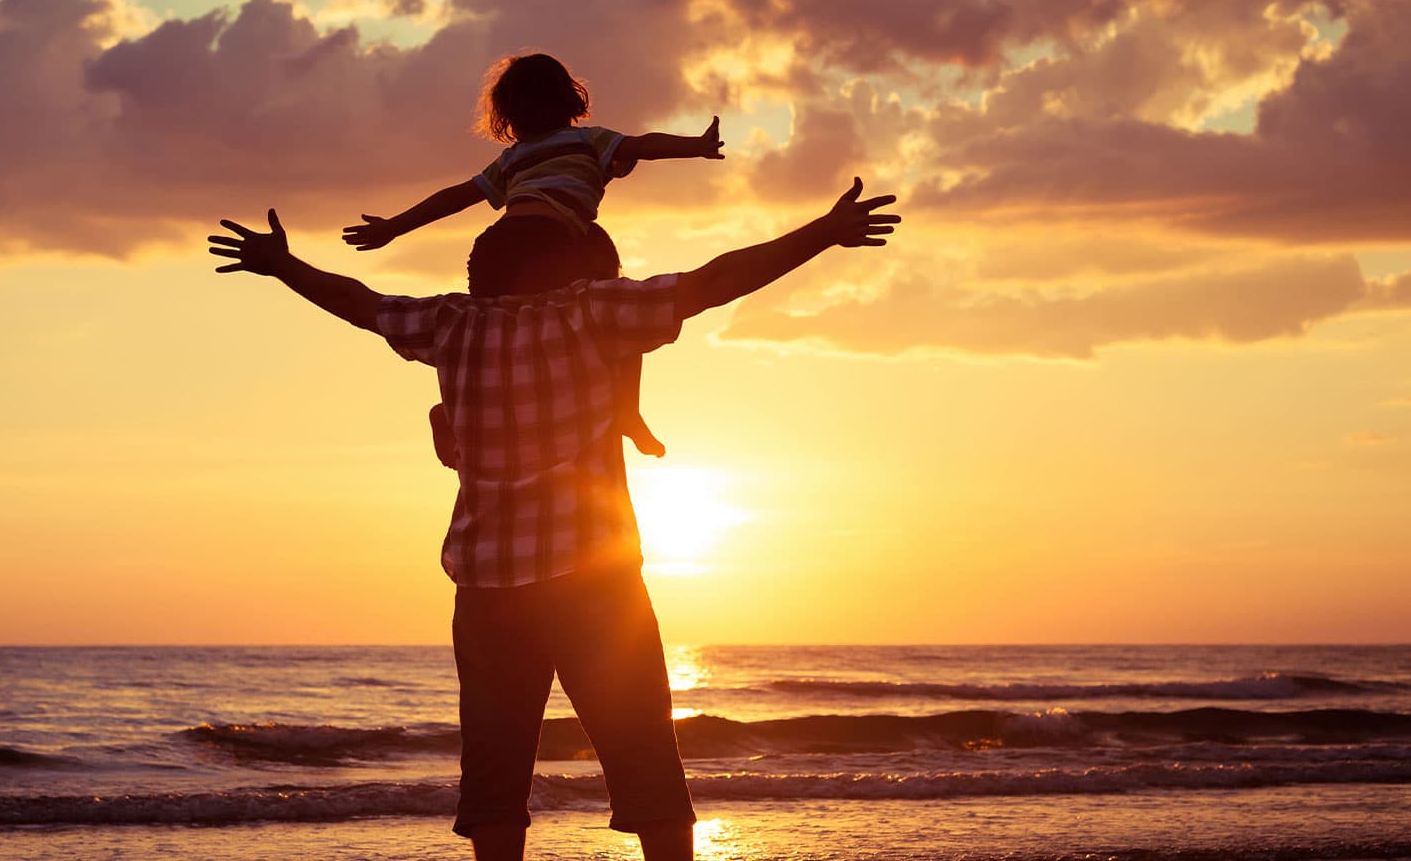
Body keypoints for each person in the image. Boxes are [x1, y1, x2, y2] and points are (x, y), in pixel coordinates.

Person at [209, 178, 899, 861]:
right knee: (646, 762)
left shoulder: (450, 324)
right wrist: (824, 232)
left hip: (488, 591)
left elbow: (360, 303)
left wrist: (283, 266)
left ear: (488, 274)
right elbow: (714, 280)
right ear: (561, 267)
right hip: (594, 583)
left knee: (494, 776)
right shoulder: (589, 313)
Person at [342, 51, 723, 460]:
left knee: (495, 342)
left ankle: (452, 414)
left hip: (496, 250)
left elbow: (456, 197)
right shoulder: (589, 140)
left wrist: (393, 227)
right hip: (554, 243)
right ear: (569, 100)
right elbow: (643, 145)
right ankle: (625, 405)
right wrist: (695, 146)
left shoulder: (511, 159)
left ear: (508, 115)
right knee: (618, 312)